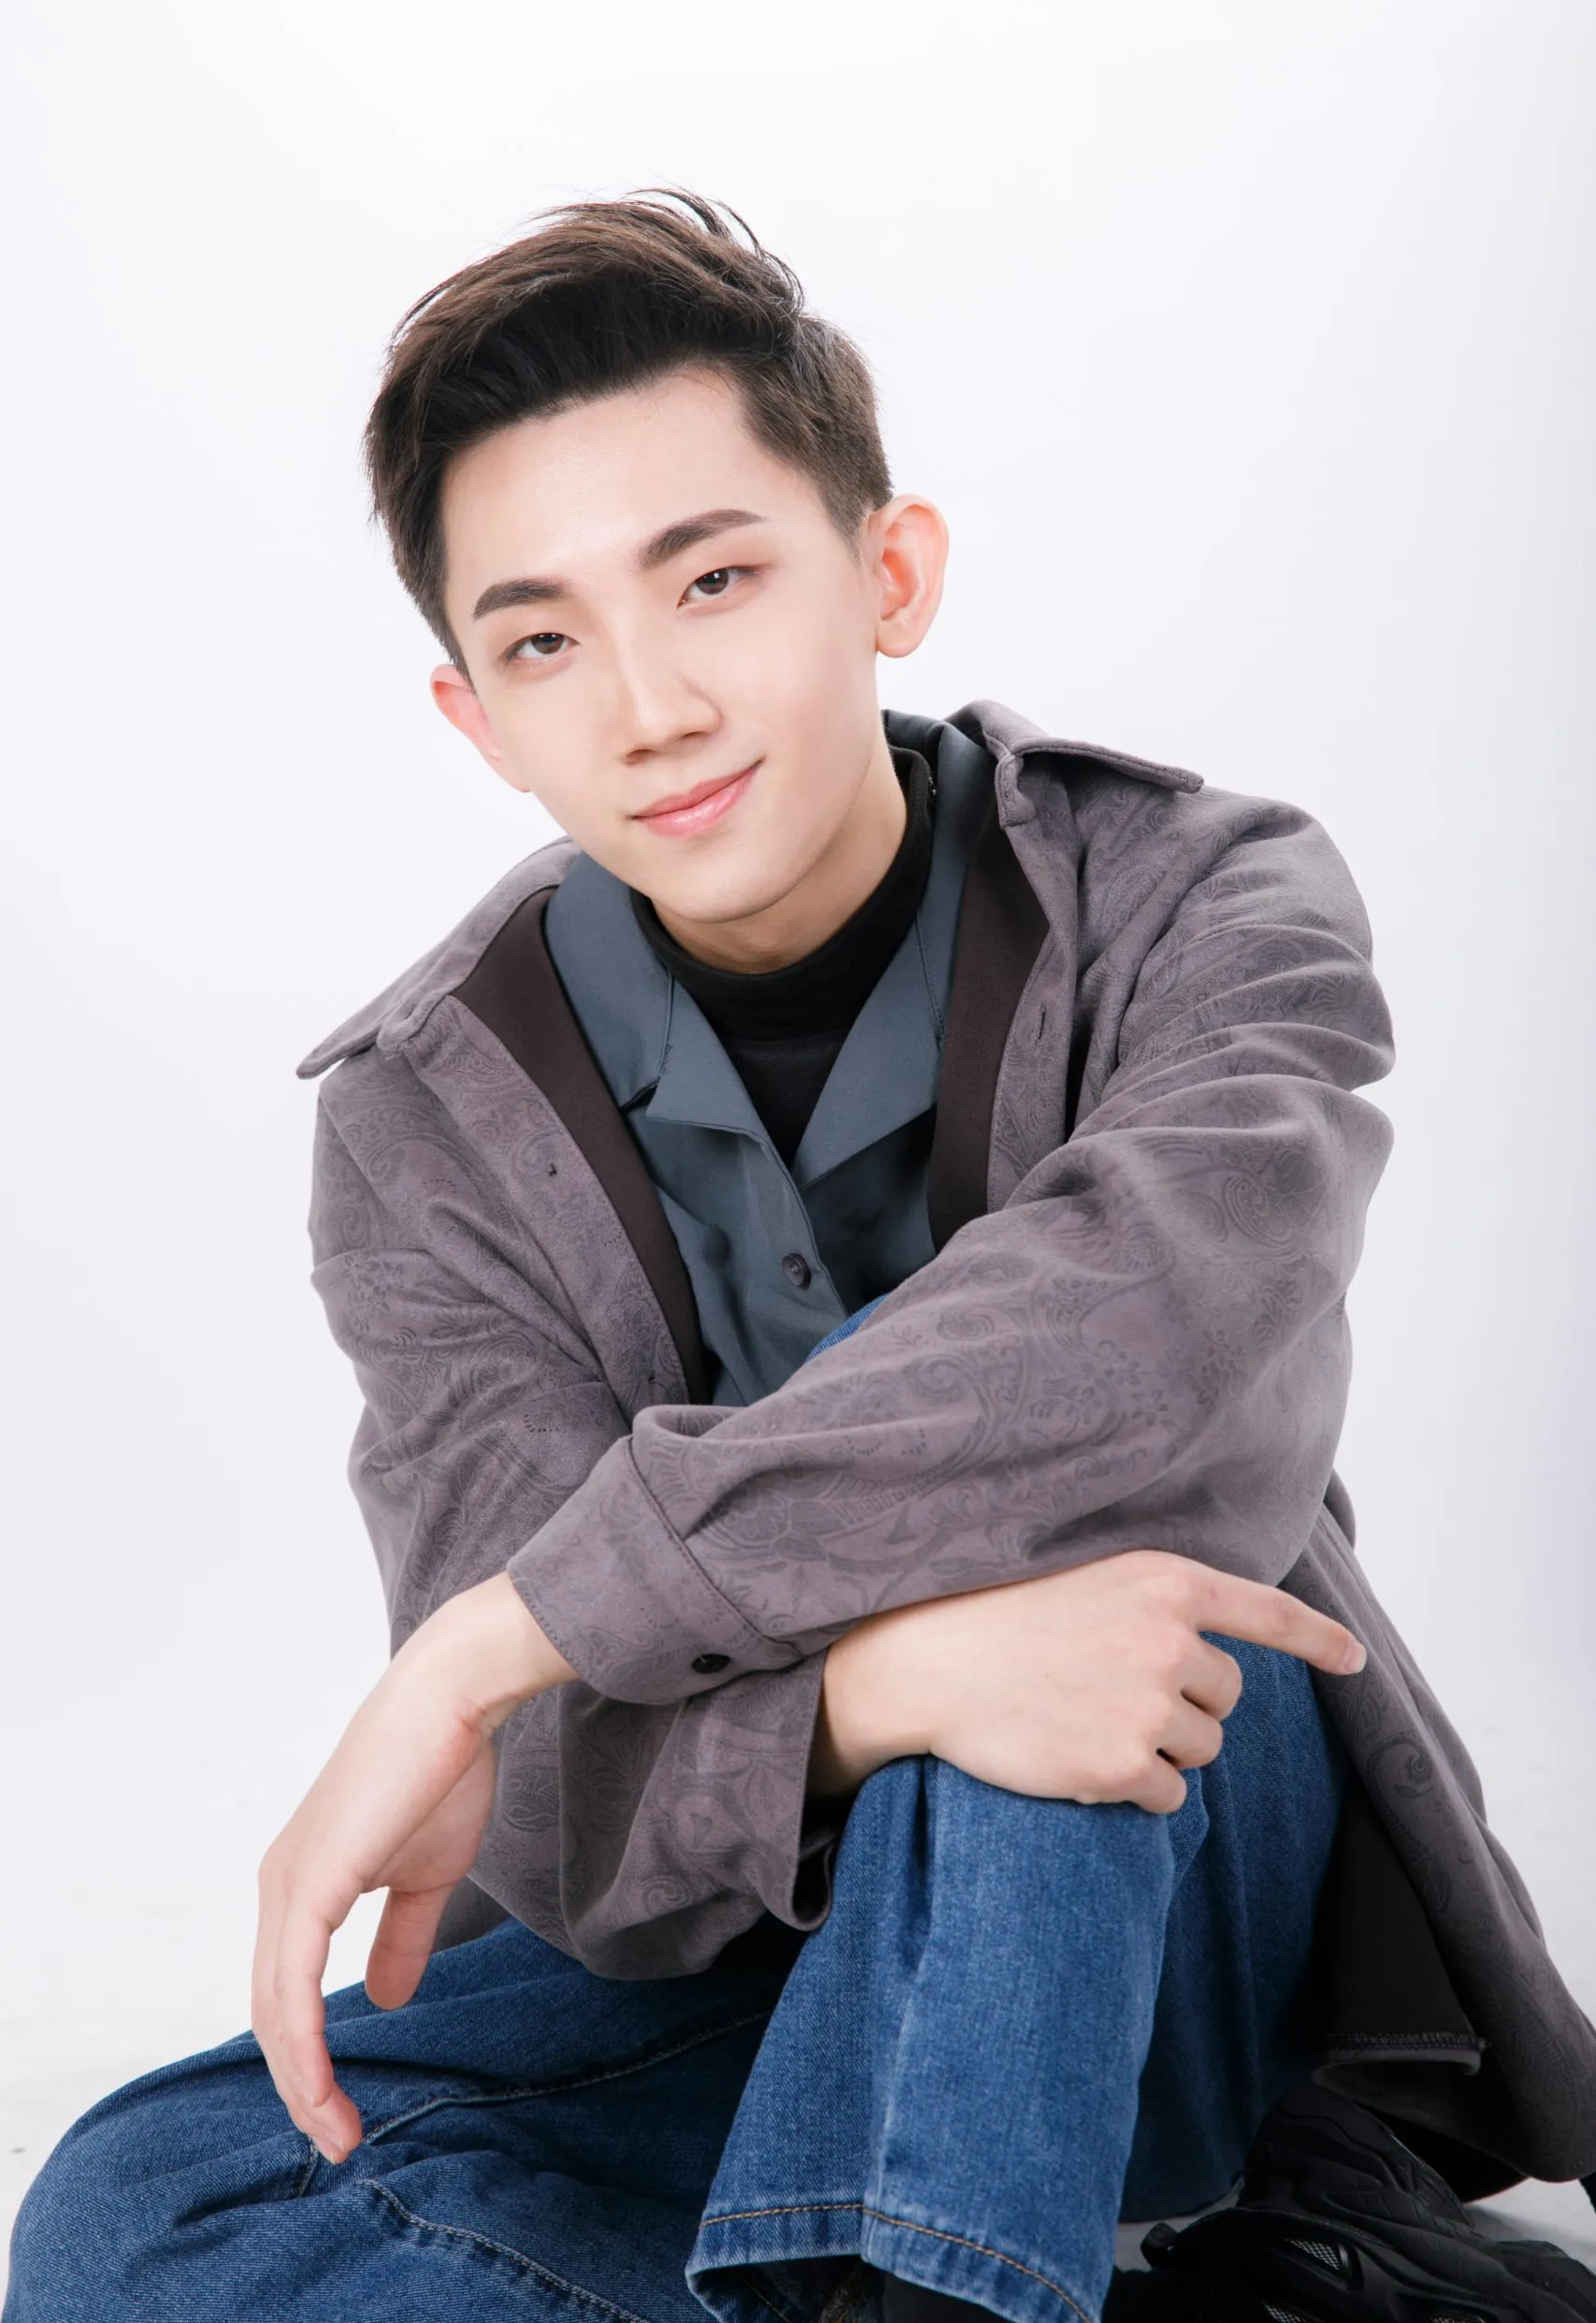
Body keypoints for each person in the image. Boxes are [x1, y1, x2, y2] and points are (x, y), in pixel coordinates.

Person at [9, 192, 1596, 2323]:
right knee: (133, 2212)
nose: (650, 704)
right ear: (475, 717)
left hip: (1187, 1873)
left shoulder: (1207, 902)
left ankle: (935, 2280)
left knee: (1065, 1598)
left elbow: (1139, 1353)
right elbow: (541, 1801)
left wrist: (511, 1632)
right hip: (734, 1966)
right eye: (545, 642)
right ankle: (1125, 2281)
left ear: (888, 574)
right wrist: (867, 1691)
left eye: (715, 580)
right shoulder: (420, 1113)